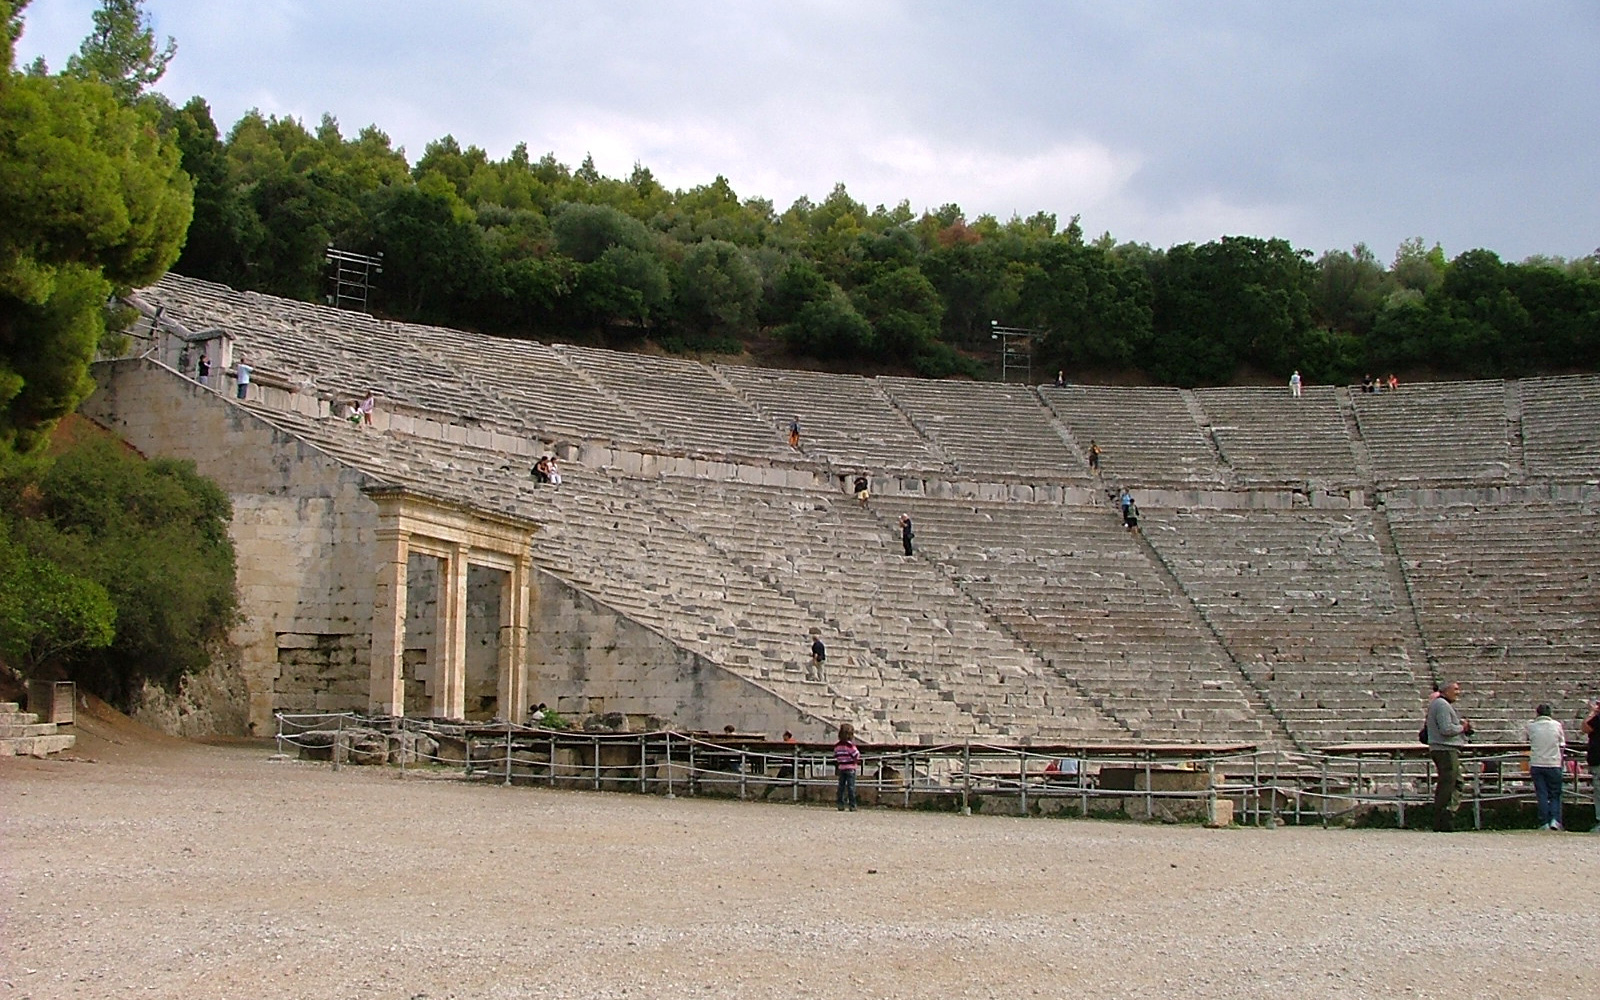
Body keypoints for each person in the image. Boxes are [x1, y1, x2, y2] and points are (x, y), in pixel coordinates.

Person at [1426, 680, 1473, 831]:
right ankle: (1443, 817)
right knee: (1448, 784)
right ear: (1446, 690)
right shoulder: (1441, 705)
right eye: (1455, 689)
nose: (1458, 692)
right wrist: (1462, 727)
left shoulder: (1440, 704)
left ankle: (1447, 815)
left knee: (1455, 782)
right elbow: (1446, 729)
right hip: (1445, 749)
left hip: (1444, 748)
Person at [1524, 704, 1567, 830]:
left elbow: (1527, 739)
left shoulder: (1531, 726)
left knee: (1542, 793)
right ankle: (1555, 819)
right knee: (1555, 794)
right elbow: (1562, 744)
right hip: (1553, 763)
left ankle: (1544, 822)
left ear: (1537, 713)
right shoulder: (1557, 725)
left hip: (1537, 763)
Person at [833, 723, 862, 811]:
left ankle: (840, 804)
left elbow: (836, 755)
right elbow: (856, 755)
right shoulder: (850, 746)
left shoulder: (837, 746)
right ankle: (852, 805)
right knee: (851, 787)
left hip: (842, 768)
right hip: (851, 768)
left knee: (841, 787)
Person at [1584, 700, 1600, 833]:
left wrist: (1592, 712)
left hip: (1598, 759)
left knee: (1599, 792)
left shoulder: (1597, 719)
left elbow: (1585, 727)